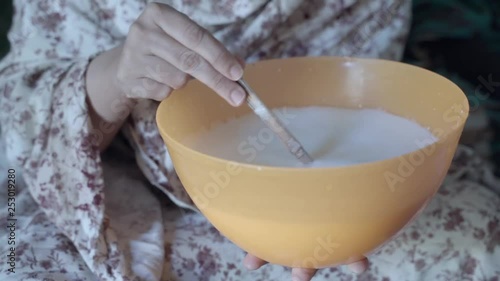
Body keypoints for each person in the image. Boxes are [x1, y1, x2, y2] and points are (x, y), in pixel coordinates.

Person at [1, 1, 499, 281]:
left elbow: (360, 91)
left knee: (480, 246)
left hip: (295, 218)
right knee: (16, 261)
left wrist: (344, 209)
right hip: (95, 199)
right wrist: (114, 77)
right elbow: (15, 119)